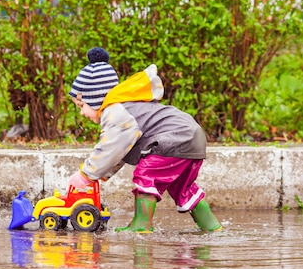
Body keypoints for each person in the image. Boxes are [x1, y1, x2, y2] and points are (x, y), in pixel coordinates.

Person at [67, 47, 222, 233]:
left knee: (146, 174)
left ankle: (141, 225)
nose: (82, 112)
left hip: (175, 138)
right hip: (192, 136)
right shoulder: (127, 108)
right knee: (182, 186)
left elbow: (111, 149)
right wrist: (100, 175)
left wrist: (86, 175)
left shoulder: (115, 113)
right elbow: (121, 152)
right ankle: (211, 226)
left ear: (95, 98)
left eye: (82, 105)